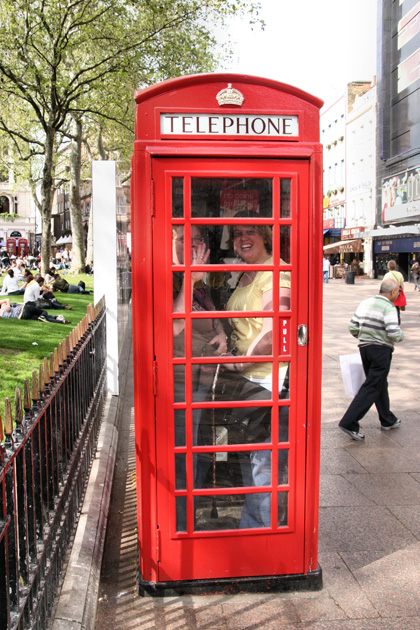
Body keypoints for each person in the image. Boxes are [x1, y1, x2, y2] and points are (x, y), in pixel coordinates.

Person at [215, 212, 291, 528]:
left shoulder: (276, 273)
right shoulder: (246, 273)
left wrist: (243, 359)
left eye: (252, 232)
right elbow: (244, 324)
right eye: (237, 233)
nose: (243, 238)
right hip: (246, 380)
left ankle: (266, 535)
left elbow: (276, 330)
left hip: (268, 379)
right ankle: (253, 531)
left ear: (266, 236)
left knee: (264, 464)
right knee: (252, 461)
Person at [172, 224, 227, 531]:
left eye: (197, 240)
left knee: (201, 450)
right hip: (181, 384)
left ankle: (193, 508)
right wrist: (188, 279)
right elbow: (174, 327)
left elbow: (211, 314)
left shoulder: (198, 281)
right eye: (183, 239)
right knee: (184, 457)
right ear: (170, 243)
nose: (192, 245)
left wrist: (220, 334)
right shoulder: (167, 277)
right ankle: (182, 523)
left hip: (204, 381)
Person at [338, 278, 404, 441]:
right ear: (393, 292)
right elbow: (393, 331)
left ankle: (387, 419)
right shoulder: (389, 307)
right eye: (398, 292)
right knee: (372, 385)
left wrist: (363, 336)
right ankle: (349, 421)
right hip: (381, 350)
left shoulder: (366, 302)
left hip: (365, 349)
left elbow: (352, 326)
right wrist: (401, 336)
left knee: (379, 383)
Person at [0, 297, 70, 323]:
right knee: (44, 312)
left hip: (22, 317)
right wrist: (7, 305)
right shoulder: (3, 307)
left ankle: (60, 321)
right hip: (24, 310)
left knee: (41, 319)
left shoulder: (3, 308)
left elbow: (7, 299)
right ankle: (55, 317)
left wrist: (8, 305)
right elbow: (7, 300)